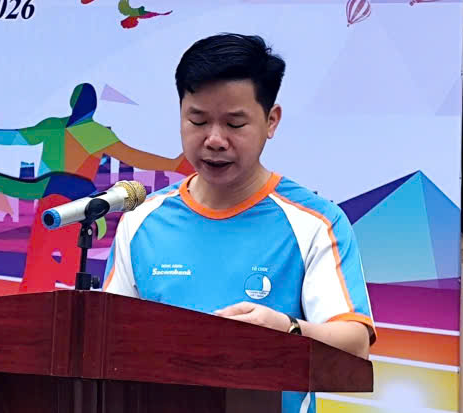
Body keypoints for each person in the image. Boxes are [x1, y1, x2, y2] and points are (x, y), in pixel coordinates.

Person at [104, 34, 374, 413]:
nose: (215, 140)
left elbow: (355, 345)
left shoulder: (315, 223)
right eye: (197, 120)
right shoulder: (141, 220)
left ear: (271, 121)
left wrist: (287, 330)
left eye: (234, 123)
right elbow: (108, 343)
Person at [0, 82, 192, 290]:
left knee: (64, 267)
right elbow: (13, 137)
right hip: (57, 193)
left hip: (67, 197)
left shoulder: (79, 130)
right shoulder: (72, 129)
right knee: (52, 265)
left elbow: (136, 157)